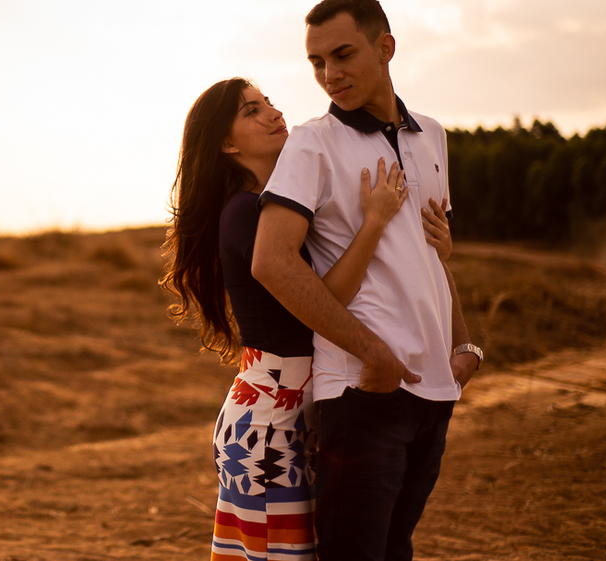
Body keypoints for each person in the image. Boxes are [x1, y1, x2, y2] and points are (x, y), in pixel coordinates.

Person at [161, 77, 450, 561]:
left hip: (281, 408)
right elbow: (328, 299)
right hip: (271, 418)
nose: (274, 114)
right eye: (252, 111)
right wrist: (374, 222)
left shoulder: (272, 206)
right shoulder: (247, 212)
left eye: (269, 102)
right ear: (228, 144)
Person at [252, 0, 481, 561]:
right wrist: (369, 352)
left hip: (433, 388)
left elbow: (431, 253)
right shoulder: (312, 143)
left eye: (344, 54)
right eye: (316, 62)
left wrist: (466, 344)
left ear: (386, 49)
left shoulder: (432, 135)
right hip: (363, 391)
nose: (330, 74)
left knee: (396, 549)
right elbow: (271, 261)